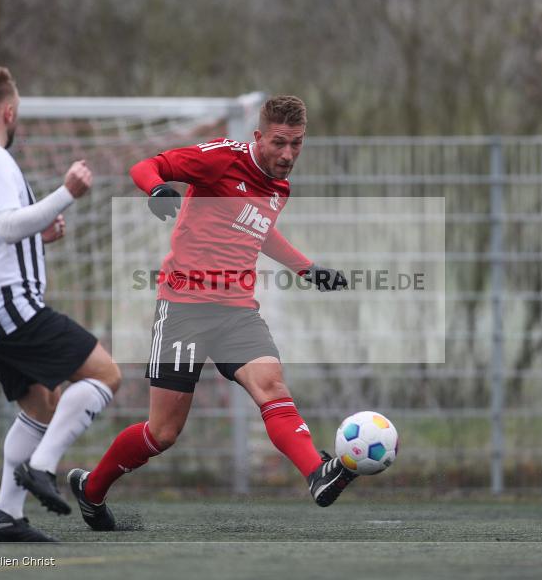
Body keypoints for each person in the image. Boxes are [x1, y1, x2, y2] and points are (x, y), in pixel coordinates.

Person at [68, 95, 351, 532]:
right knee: (162, 433)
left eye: (297, 144)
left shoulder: (280, 187)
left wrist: (307, 269)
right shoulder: (220, 158)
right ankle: (92, 490)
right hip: (183, 308)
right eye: (279, 143)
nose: (288, 154)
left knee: (271, 384)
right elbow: (146, 166)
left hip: (237, 312)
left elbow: (260, 231)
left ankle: (317, 473)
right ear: (258, 136)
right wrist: (157, 188)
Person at [0, 66, 121, 542]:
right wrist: (67, 193)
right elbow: (5, 227)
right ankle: (42, 467)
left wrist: (37, 239)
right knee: (106, 374)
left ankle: (6, 516)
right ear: (8, 111)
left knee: (41, 405)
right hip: (7, 304)